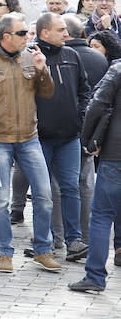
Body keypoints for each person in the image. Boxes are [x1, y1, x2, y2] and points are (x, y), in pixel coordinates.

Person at [0, 13, 60, 273]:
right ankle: (4, 252)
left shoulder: (31, 56)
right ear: (6, 36)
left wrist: (42, 70)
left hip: (29, 138)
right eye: (22, 34)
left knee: (45, 195)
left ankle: (43, 249)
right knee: (0, 200)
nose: (27, 37)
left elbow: (47, 93)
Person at [29, 13, 90, 261]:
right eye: (61, 30)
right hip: (39, 138)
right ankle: (44, 242)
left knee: (70, 188)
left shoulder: (72, 55)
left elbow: (84, 90)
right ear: (45, 33)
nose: (67, 34)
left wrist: (80, 117)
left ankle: (73, 240)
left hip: (69, 138)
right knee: (42, 192)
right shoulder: (30, 57)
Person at [68, 60, 121, 293]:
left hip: (116, 153)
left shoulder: (118, 70)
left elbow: (96, 105)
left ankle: (96, 276)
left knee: (101, 215)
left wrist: (89, 140)